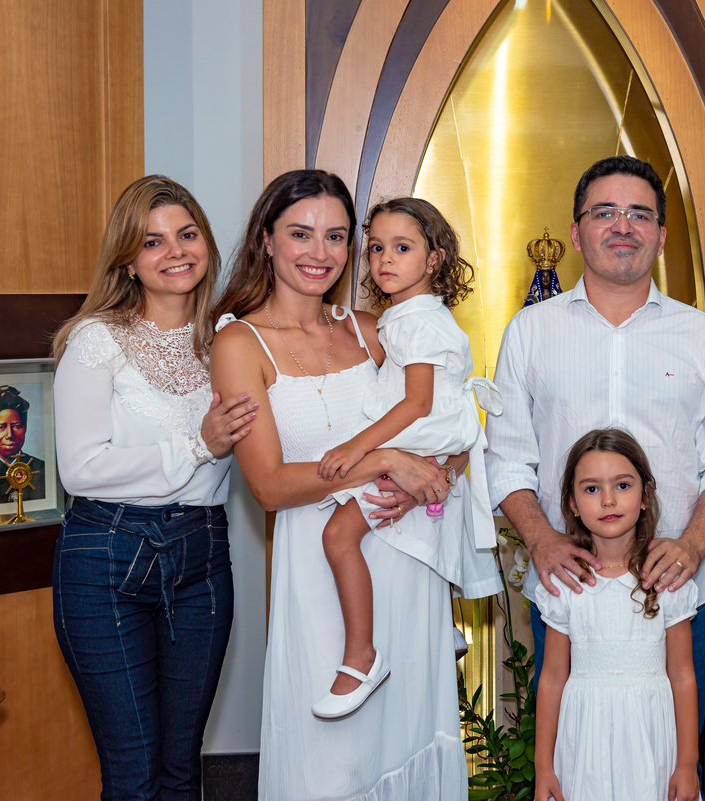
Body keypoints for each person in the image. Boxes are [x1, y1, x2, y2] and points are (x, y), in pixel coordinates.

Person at [209, 169, 467, 800]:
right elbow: (268, 485)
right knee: (332, 767)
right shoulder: (239, 343)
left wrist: (423, 477)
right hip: (321, 571)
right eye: (301, 234)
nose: (319, 253)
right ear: (267, 240)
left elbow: (452, 428)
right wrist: (384, 462)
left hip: (404, 561)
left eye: (336, 237)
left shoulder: (375, 332)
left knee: (408, 738)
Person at [485, 155, 705, 737]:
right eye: (604, 212)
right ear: (577, 232)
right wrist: (542, 540)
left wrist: (691, 544)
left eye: (640, 214)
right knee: (568, 758)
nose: (622, 225)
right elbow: (504, 458)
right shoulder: (530, 332)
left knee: (670, 763)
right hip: (568, 589)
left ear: (661, 237)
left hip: (675, 589)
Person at [51, 175, 258, 800]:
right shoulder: (96, 340)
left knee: (181, 770)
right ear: (129, 261)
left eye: (187, 233)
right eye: (152, 241)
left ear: (206, 243)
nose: (175, 250)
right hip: (106, 561)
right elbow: (80, 469)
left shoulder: (230, 339)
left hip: (202, 558)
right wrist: (198, 443)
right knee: (134, 776)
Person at [313, 196, 502, 719]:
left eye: (402, 247)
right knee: (411, 529)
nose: (384, 260)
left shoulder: (418, 322)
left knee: (338, 535)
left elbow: (417, 401)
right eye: (376, 248)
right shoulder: (412, 315)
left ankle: (360, 656)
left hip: (420, 441)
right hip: (430, 442)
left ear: (434, 259)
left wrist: (360, 448)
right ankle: (442, 622)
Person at [534, 428, 700, 801]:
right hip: (583, 744)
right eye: (592, 489)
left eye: (622, 485)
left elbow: (683, 675)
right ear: (572, 503)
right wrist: (543, 766)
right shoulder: (565, 585)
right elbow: (553, 677)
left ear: (646, 494)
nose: (608, 500)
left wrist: (687, 764)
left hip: (651, 740)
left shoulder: (666, 579)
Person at [0, 385, 47, 505]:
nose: (10, 434)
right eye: (1, 427)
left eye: (16, 426)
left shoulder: (42, 469)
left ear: (25, 428)